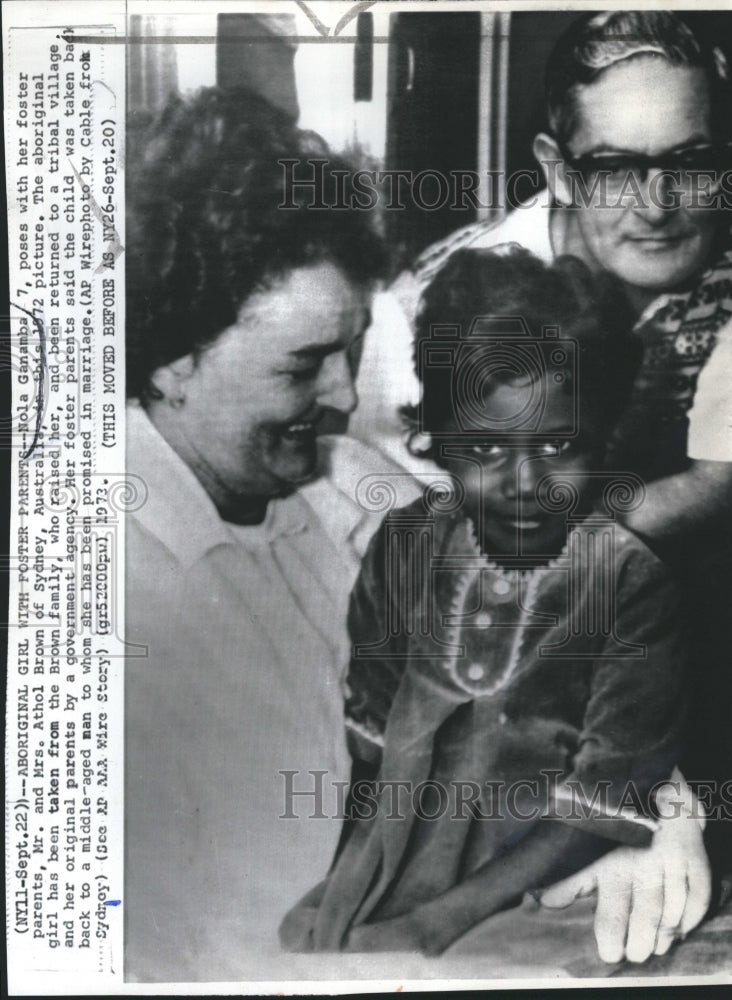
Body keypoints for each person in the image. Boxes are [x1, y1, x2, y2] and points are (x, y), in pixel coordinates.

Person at [350, 8, 732, 960]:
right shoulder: (425, 330)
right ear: (556, 166)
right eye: (611, 167)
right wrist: (644, 795)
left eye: (688, 161)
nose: (655, 202)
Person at [280, 248, 690, 958]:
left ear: (604, 435)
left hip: (543, 885)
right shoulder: (405, 544)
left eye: (560, 443)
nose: (525, 480)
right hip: (394, 869)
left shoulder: (629, 582)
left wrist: (436, 923)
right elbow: (369, 746)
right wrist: (346, 886)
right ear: (437, 439)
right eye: (485, 449)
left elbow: (605, 798)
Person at [123, 87, 421, 981]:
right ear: (173, 359)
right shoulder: (109, 591)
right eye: (302, 365)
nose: (339, 395)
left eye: (352, 348)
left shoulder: (333, 483)